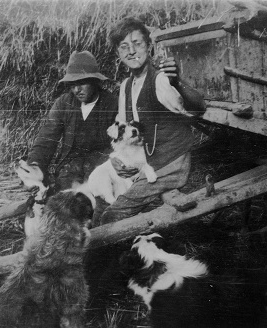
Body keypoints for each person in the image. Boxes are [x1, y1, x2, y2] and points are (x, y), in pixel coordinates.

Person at [97, 17, 206, 225]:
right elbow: (122, 130)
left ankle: (117, 254)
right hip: (145, 161)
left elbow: (197, 108)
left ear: (148, 46)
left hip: (170, 162)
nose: (131, 51)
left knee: (113, 214)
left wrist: (177, 83)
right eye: (124, 47)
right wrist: (116, 160)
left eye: (137, 44)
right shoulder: (126, 86)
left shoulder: (160, 80)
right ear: (118, 54)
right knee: (101, 202)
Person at [26, 50, 181, 194]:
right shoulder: (63, 104)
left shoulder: (113, 104)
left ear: (95, 81)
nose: (77, 89)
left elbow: (125, 142)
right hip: (69, 168)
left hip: (101, 167)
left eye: (82, 82)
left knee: (100, 202)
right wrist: (34, 166)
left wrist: (118, 163)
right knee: (63, 203)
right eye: (72, 84)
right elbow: (45, 140)